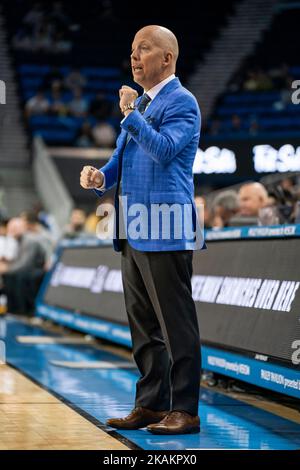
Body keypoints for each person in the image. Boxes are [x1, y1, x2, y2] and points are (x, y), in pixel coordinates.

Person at [80, 25, 205, 435]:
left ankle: (184, 409)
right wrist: (100, 177)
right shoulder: (142, 105)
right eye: (133, 50)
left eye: (144, 49)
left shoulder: (182, 102)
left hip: (167, 227)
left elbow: (165, 150)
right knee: (144, 327)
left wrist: (132, 114)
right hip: (133, 227)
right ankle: (151, 405)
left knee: (176, 325)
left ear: (166, 58)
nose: (134, 57)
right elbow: (121, 158)